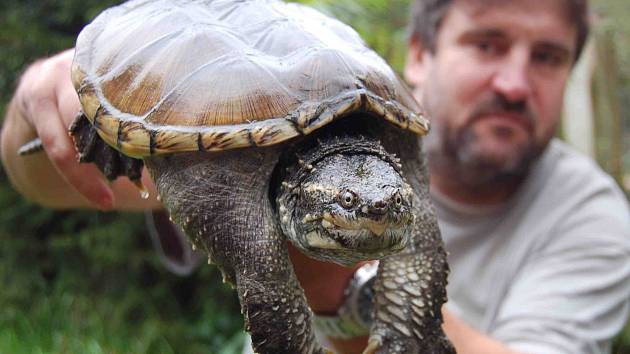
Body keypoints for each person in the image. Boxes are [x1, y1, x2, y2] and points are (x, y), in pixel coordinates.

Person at [1, 0, 629, 353]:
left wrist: (353, 292)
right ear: (418, 54)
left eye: (546, 57)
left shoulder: (593, 215)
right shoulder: (222, 162)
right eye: (487, 44)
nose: (513, 84)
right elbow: (44, 182)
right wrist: (48, 94)